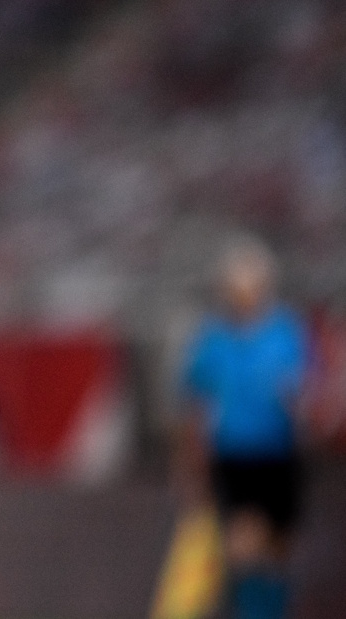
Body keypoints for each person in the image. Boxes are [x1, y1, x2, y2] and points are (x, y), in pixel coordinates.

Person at [177, 237, 309, 619]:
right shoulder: (213, 340)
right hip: (236, 454)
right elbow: (196, 403)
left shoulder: (286, 333)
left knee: (278, 548)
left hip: (280, 454)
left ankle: (271, 607)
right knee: (243, 546)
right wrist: (191, 463)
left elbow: (304, 393)